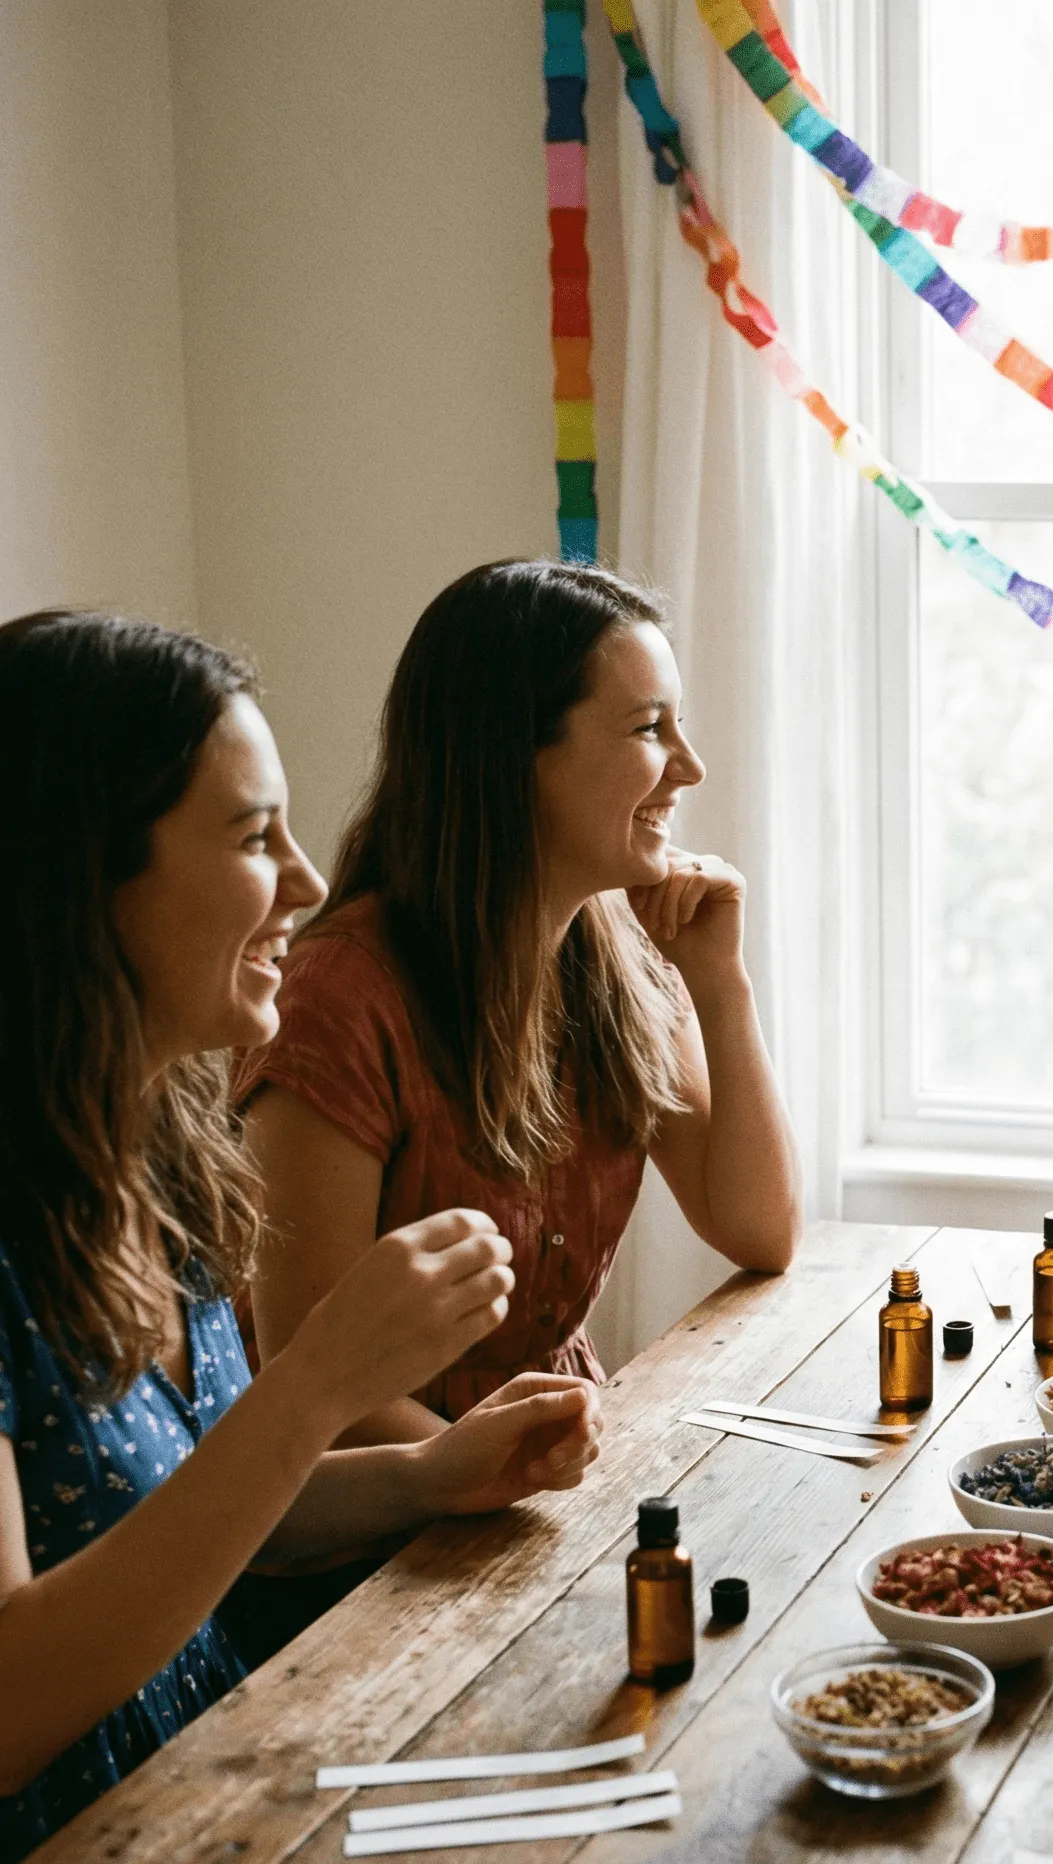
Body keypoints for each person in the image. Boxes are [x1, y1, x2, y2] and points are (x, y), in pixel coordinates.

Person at [0, 611, 604, 1858]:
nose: (308, 881)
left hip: (217, 1794)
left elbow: (191, 1512)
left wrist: (424, 1475)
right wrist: (323, 1377)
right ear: (79, 875)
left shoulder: (154, 1153)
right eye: (248, 835)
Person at [227, 561, 800, 1656]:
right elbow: (310, 1373)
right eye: (646, 728)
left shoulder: (615, 956)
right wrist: (514, 1481)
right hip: (358, 1567)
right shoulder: (340, 995)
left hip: (533, 1498)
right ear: (512, 757)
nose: (688, 766)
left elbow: (757, 1227)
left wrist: (721, 985)